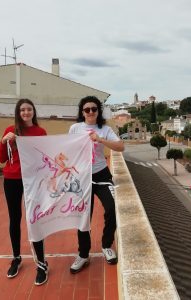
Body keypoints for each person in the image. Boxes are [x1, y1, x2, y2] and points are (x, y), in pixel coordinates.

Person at [69, 95, 124, 273]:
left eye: (94, 109)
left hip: (101, 174)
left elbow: (120, 146)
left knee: (112, 207)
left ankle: (106, 245)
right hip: (82, 176)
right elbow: (67, 149)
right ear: (82, 112)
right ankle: (83, 254)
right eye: (87, 109)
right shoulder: (75, 128)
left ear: (98, 111)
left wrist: (100, 139)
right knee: (83, 217)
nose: (91, 112)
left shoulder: (104, 129)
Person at [0, 99, 48, 285]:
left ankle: (42, 263)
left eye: (29, 109)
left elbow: (45, 157)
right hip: (11, 180)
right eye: (22, 110)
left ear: (34, 112)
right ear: (18, 112)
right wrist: (3, 141)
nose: (26, 112)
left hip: (32, 181)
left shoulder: (40, 133)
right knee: (15, 218)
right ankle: (16, 258)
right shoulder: (10, 131)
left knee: (35, 219)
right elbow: (2, 158)